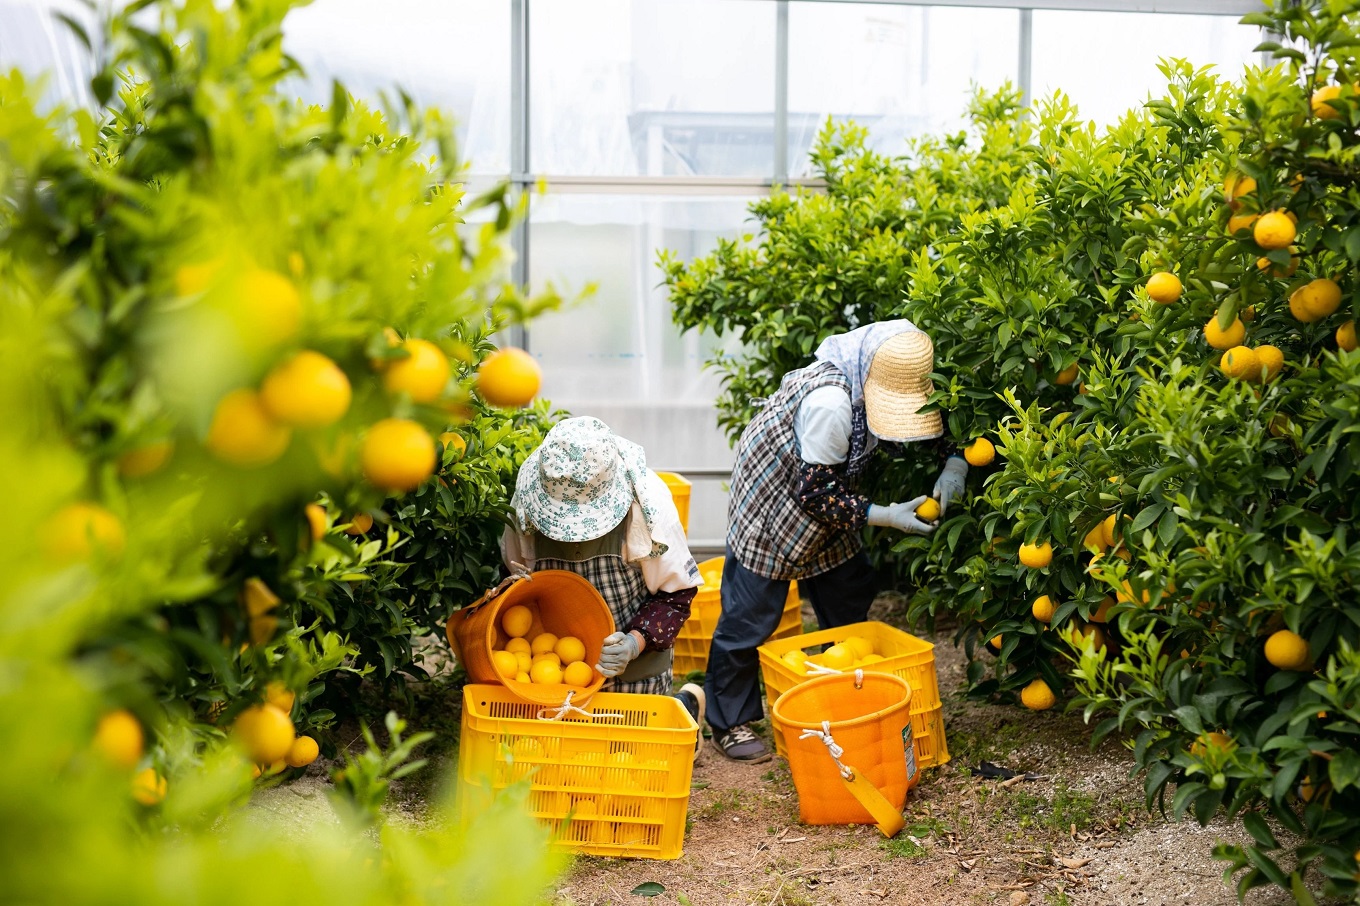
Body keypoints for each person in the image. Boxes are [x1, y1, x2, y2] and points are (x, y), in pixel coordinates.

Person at [703, 320, 967, 763]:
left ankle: (837, 690)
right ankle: (729, 722)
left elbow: (927, 421)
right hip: (775, 502)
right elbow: (815, 493)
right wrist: (884, 516)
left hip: (832, 501)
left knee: (848, 600)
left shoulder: (893, 364)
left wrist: (954, 461)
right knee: (749, 620)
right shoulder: (830, 406)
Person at [500, 415, 707, 745]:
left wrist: (634, 643)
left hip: (635, 668)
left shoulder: (647, 509)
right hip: (555, 672)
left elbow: (676, 594)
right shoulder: (527, 507)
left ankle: (684, 708)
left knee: (629, 759)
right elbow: (514, 585)